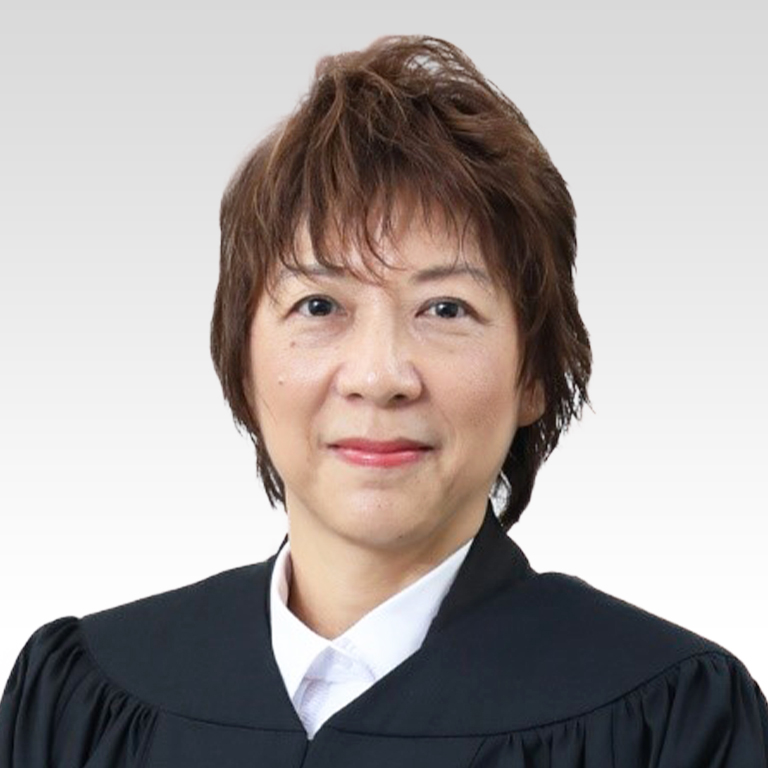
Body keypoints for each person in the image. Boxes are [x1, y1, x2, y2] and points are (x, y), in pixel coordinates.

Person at [1, 34, 766, 767]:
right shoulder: (82, 704)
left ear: (533, 374)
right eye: (318, 305)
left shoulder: (667, 722)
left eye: (446, 309)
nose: (379, 375)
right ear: (241, 360)